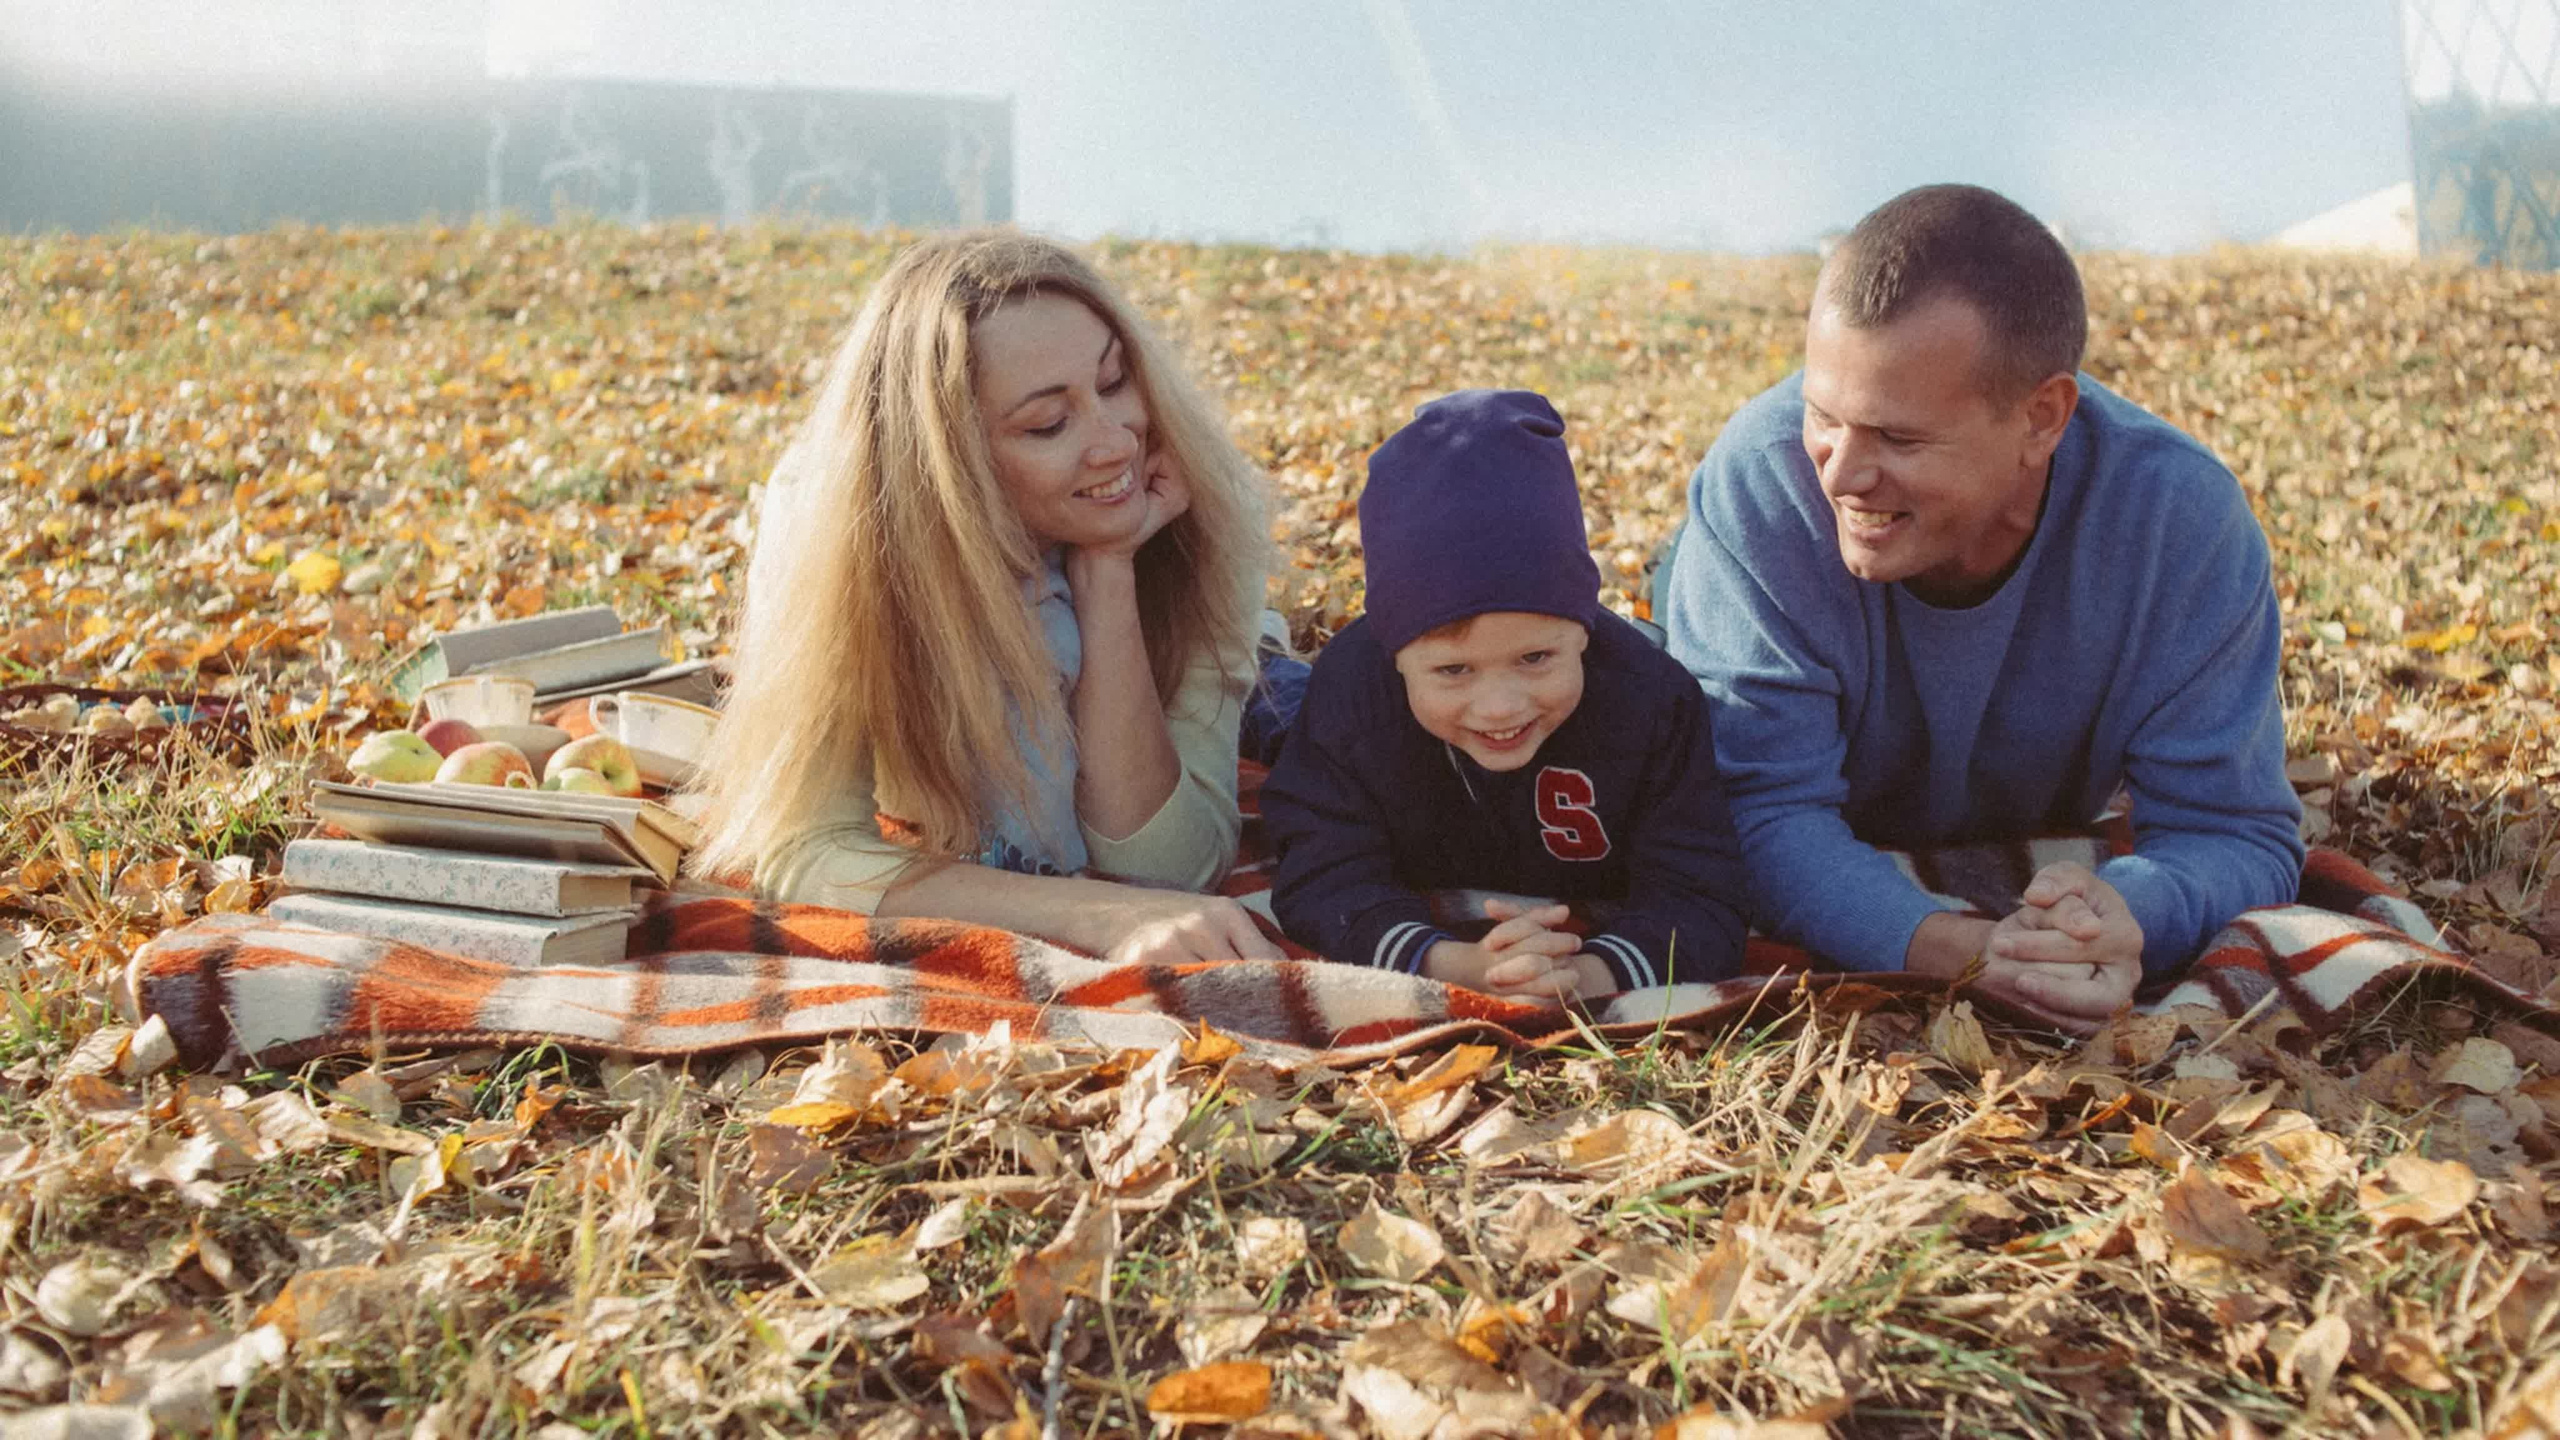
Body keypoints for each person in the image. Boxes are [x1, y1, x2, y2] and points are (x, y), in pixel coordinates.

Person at [1661, 183, 2303, 1034]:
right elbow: (1755, 810)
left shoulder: (2180, 526)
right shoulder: (1760, 481)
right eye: (1823, 415)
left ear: (2043, 418)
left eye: (1899, 438)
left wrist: (2125, 915)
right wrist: (1951, 949)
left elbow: (2236, 831)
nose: (1840, 474)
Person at [688, 230, 1284, 966]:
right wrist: (1100, 915)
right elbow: (805, 847)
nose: (1116, 445)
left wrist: (1109, 572)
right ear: (951, 462)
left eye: (1114, 382)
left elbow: (1171, 868)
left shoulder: (1195, 507)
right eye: (1048, 424)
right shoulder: (833, 529)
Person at [1263, 389, 1748, 1002]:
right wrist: (1460, 966)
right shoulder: (1353, 692)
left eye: (1536, 658)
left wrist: (1584, 976)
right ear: (1396, 656)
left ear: (1583, 629)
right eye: (1453, 671)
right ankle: (1265, 664)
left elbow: (1702, 892)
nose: (1499, 706)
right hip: (1323, 714)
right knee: (1277, 717)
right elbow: (1320, 877)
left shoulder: (1652, 698)